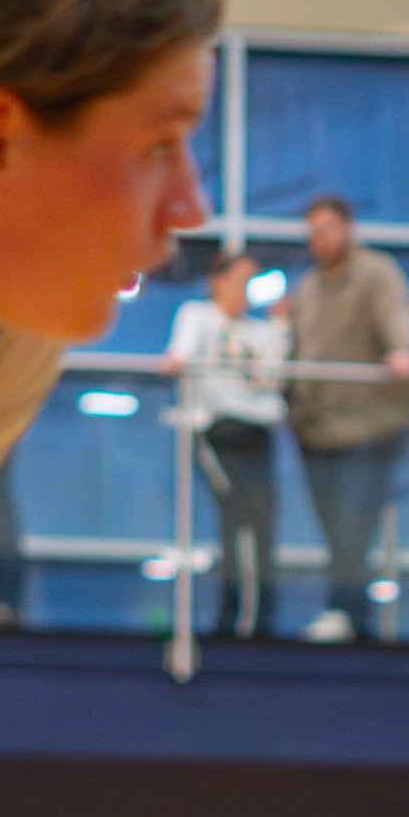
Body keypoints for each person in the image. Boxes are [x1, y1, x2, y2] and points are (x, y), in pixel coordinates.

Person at [286, 191, 409, 645]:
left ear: (348, 229)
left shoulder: (375, 273)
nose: (320, 239)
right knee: (335, 531)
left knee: (352, 527)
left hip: (368, 427)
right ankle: (350, 619)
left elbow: (399, 321)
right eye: (313, 231)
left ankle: (346, 614)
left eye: (327, 228)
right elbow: (297, 351)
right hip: (315, 430)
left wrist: (404, 352)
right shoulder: (308, 289)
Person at [164, 248, 288, 639]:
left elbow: (273, 379)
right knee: (237, 515)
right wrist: (176, 362)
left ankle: (262, 620)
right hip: (218, 430)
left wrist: (281, 327)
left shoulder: (261, 331)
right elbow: (180, 354)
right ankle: (231, 618)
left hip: (258, 433)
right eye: (239, 281)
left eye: (252, 283)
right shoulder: (198, 315)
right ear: (218, 282)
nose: (245, 291)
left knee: (262, 521)